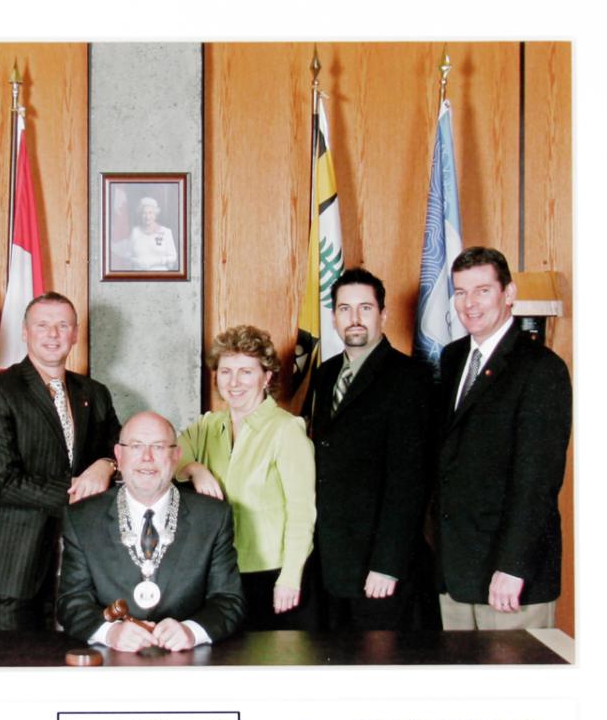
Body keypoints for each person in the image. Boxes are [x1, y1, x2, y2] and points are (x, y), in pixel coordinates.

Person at [436, 246, 572, 629]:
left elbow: (537, 480)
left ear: (508, 294)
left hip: (511, 580)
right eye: (460, 292)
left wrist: (513, 566)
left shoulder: (541, 369)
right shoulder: (451, 359)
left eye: (482, 290)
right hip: (457, 573)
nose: (469, 304)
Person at [0, 292, 121, 630]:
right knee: (14, 670)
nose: (53, 334)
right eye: (43, 325)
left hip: (77, 566)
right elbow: (1, 481)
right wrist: (79, 490)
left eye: (62, 325)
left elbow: (119, 446)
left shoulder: (94, 393)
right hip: (12, 566)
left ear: (75, 333)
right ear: (25, 332)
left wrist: (105, 465)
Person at [306, 268, 437, 631]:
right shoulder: (326, 374)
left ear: (383, 314)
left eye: (365, 308)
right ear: (333, 317)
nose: (355, 318)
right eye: (344, 309)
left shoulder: (410, 378)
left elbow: (410, 480)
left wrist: (387, 564)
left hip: (378, 566)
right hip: (331, 560)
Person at [57, 412, 245, 651]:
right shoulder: (82, 518)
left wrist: (192, 631)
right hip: (111, 664)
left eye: (158, 447)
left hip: (188, 664)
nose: (146, 458)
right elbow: (71, 602)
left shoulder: (213, 517)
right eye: (135, 446)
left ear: (176, 456)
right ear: (119, 455)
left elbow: (229, 601)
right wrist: (111, 633)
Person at [176, 325, 316, 629]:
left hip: (271, 575)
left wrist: (290, 578)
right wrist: (195, 469)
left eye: (245, 372)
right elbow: (171, 456)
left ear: (266, 377)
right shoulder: (208, 426)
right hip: (220, 571)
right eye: (225, 371)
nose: (234, 382)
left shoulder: (286, 429)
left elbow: (302, 513)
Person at [128, 196, 177, 271]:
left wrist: (154, 262)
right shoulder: (135, 231)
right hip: (138, 274)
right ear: (140, 215)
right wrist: (138, 262)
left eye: (150, 213)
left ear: (155, 214)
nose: (147, 217)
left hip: (160, 274)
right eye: (144, 213)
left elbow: (173, 257)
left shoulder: (166, 232)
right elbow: (128, 256)